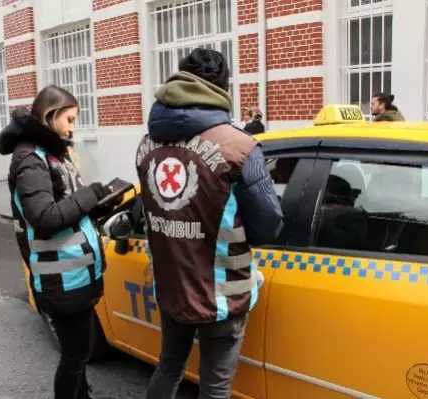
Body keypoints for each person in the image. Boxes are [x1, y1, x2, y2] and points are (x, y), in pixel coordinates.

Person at [136, 48, 283, 399]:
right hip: (222, 293)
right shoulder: (239, 146)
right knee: (215, 384)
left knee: (169, 365)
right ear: (222, 88)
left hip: (173, 287)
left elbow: (151, 213)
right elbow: (268, 226)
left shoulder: (146, 145)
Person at [0, 85, 121, 399]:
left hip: (75, 275)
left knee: (77, 355)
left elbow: (67, 208)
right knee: (74, 356)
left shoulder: (52, 153)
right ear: (50, 116)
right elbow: (45, 217)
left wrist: (98, 204)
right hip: (61, 279)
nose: (72, 126)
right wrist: (89, 194)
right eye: (68, 118)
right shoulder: (30, 159)